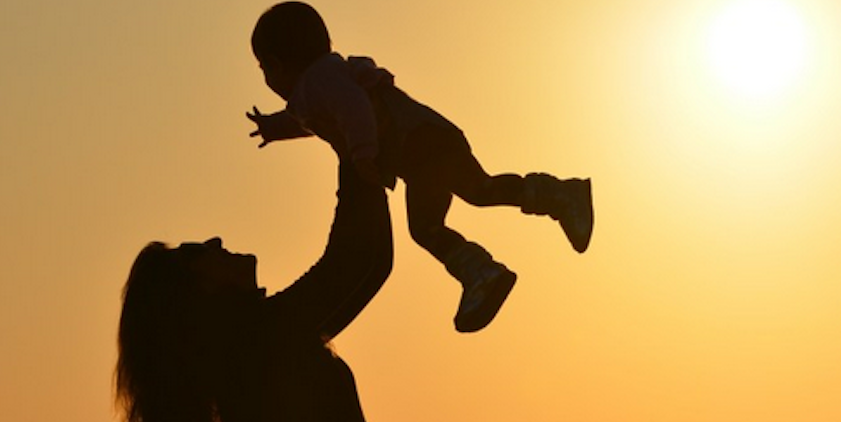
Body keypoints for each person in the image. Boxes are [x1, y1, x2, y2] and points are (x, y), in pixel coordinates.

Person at [245, 2, 594, 333]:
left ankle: (490, 265)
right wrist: (274, 128)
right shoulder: (320, 85)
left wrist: (363, 153)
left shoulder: (319, 80)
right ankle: (508, 245)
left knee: (448, 212)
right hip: (423, 148)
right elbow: (307, 120)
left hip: (421, 143)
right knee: (470, 197)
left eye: (263, 69)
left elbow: (353, 108)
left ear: (275, 65)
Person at [116, 161, 393, 422]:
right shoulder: (259, 340)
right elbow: (357, 262)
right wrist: (354, 144)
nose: (214, 241)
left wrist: (361, 153)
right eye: (195, 251)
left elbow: (372, 262)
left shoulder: (248, 350)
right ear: (194, 292)